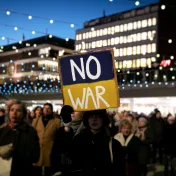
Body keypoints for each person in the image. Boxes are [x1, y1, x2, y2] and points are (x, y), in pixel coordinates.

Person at [72, 109, 125, 176]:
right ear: (87, 120)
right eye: (91, 116)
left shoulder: (113, 144)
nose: (94, 119)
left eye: (98, 116)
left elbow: (119, 170)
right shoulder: (78, 140)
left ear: (103, 119)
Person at [0, 100, 40, 176]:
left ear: (24, 114)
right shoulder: (2, 130)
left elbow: (35, 156)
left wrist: (14, 153)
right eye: (12, 110)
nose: (14, 113)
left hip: (23, 171)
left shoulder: (31, 132)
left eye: (18, 111)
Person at [32, 103, 61, 176]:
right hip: (38, 150)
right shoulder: (36, 120)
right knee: (37, 171)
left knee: (48, 171)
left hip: (50, 150)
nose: (46, 110)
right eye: (45, 108)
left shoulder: (56, 121)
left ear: (51, 110)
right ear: (43, 110)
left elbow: (58, 136)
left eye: (48, 108)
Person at [51, 105, 74, 176]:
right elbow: (55, 151)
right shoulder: (60, 131)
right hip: (62, 168)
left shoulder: (85, 131)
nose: (72, 115)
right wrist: (56, 169)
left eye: (73, 112)